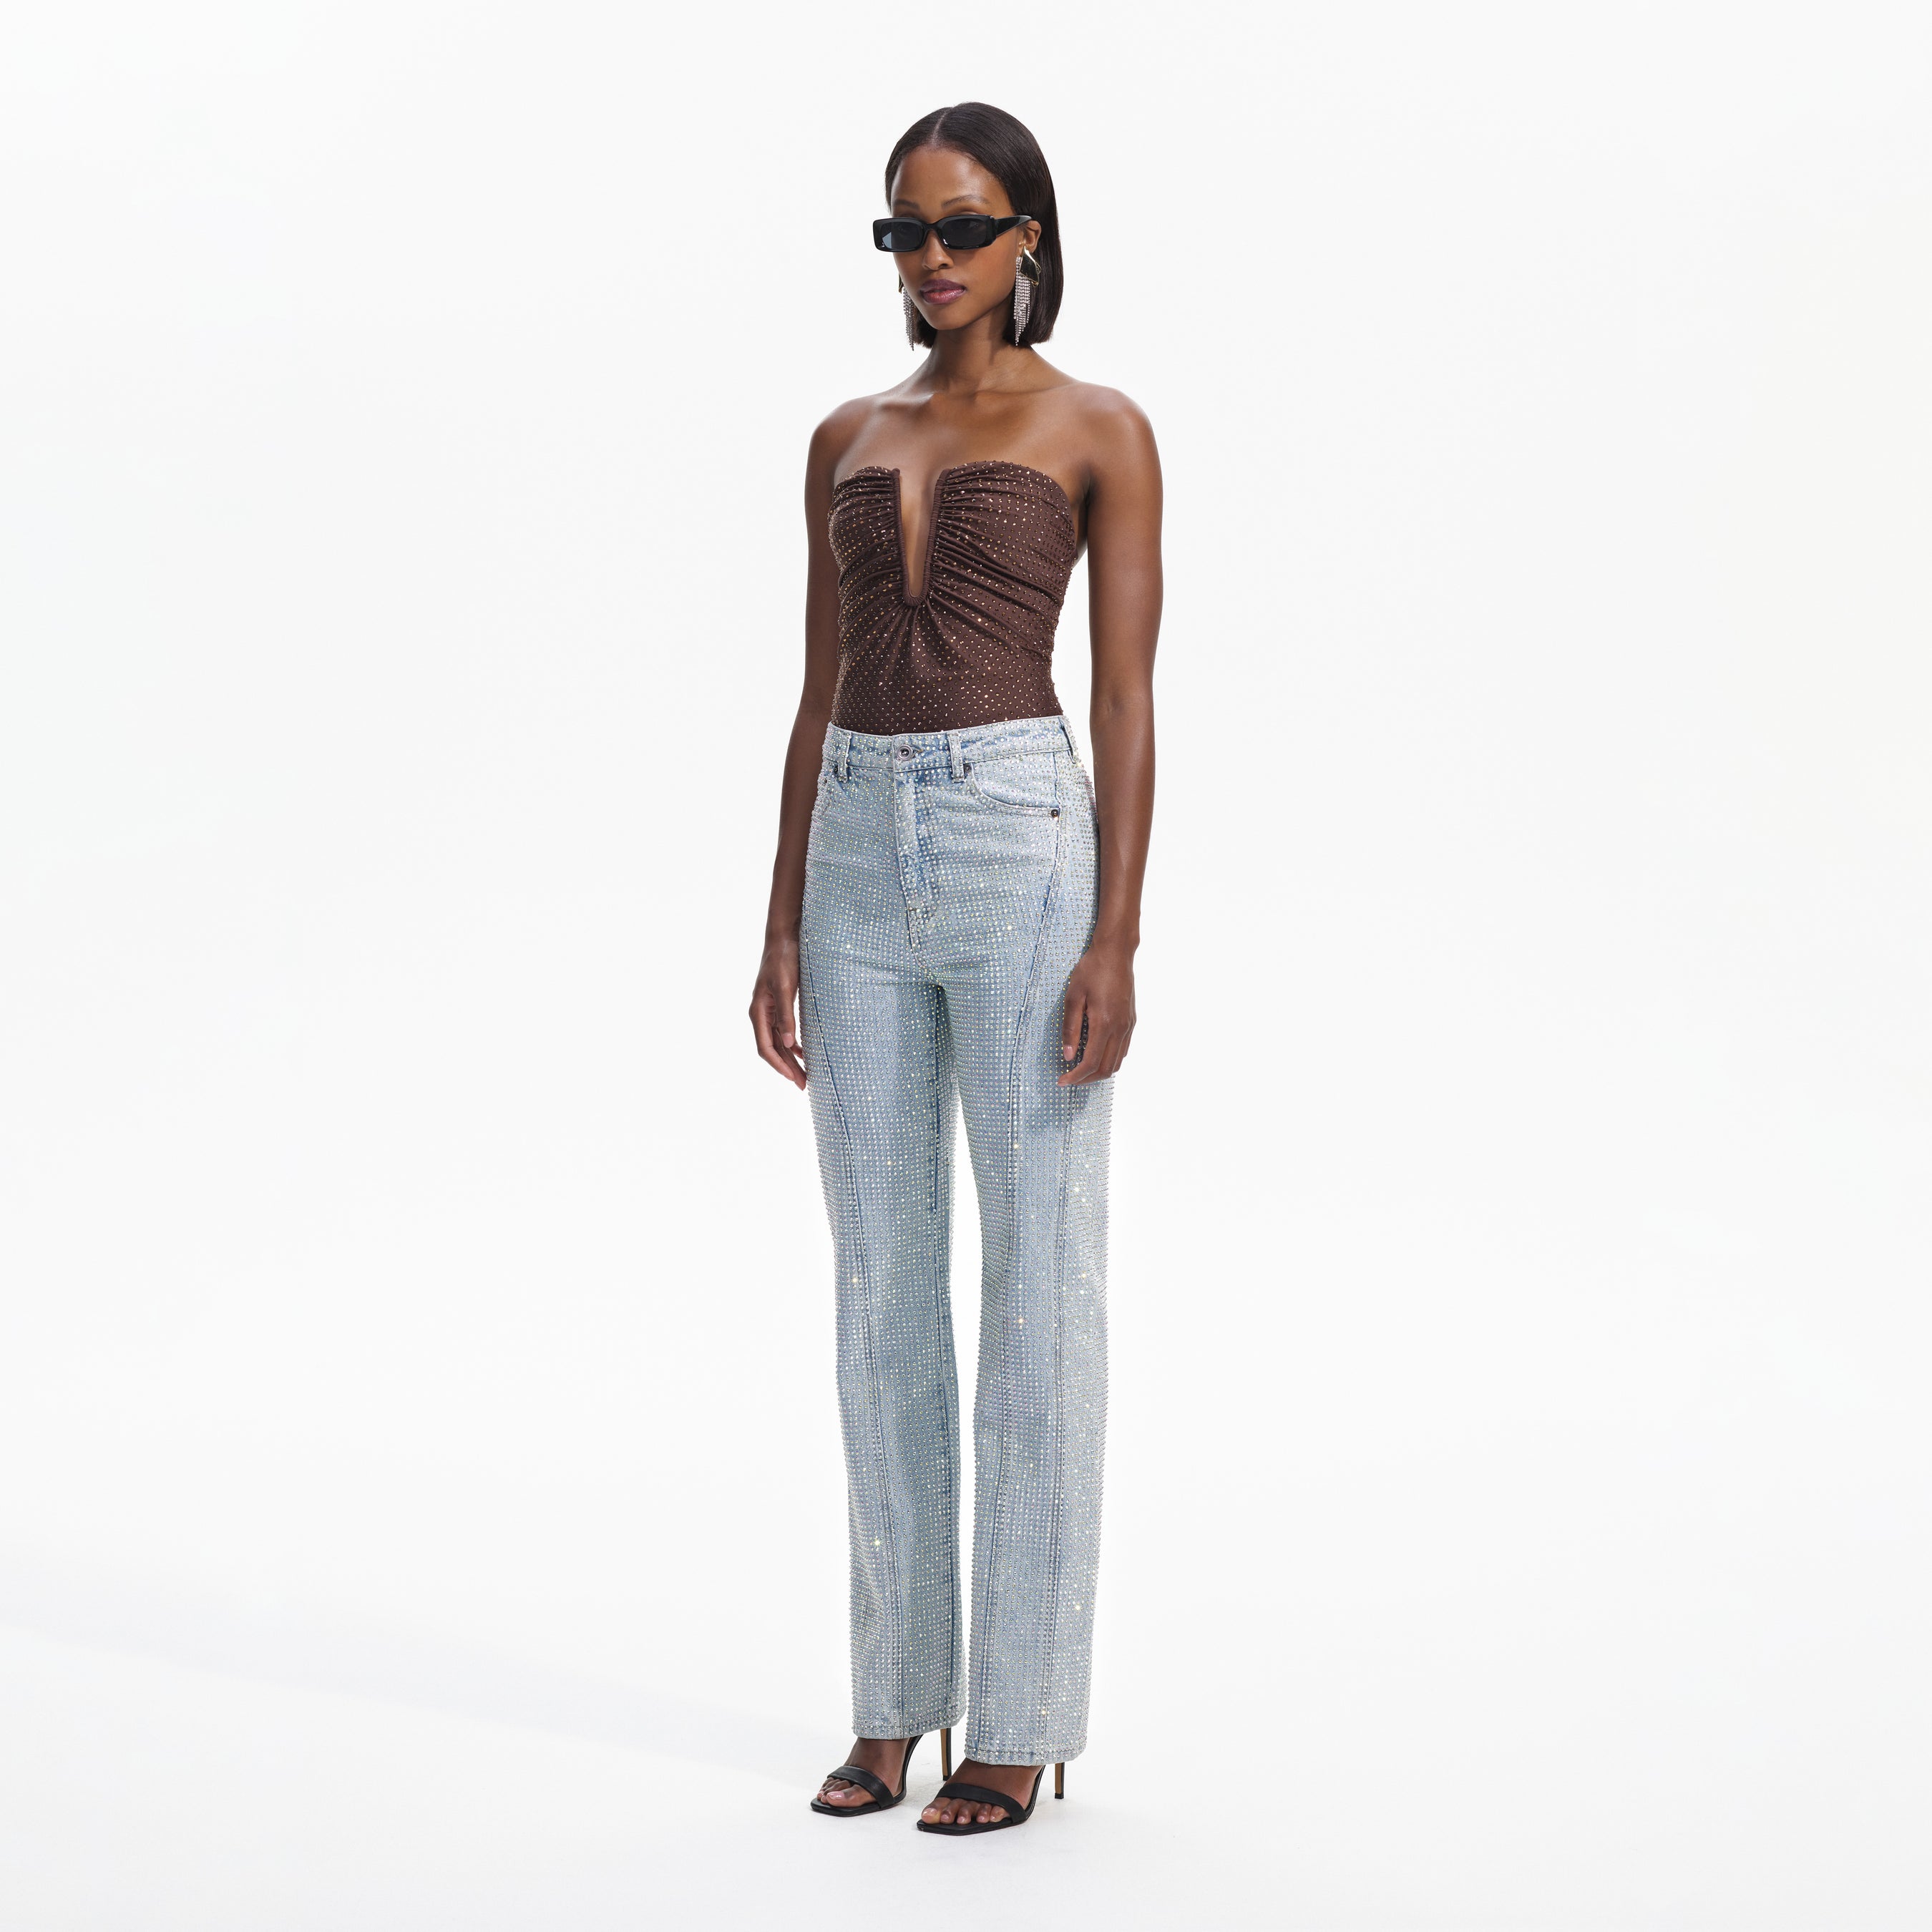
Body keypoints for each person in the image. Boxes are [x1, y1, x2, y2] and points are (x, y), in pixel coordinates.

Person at [748, 101, 1161, 1838]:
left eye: (963, 228)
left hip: (1019, 845)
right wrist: (780, 917)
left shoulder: (1098, 426)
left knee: (1039, 1291)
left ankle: (1025, 1719)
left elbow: (1127, 696)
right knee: (880, 1298)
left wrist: (1118, 933)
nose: (931, 259)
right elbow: (817, 687)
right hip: (853, 856)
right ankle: (895, 1696)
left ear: (1028, 237)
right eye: (904, 232)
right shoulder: (847, 434)